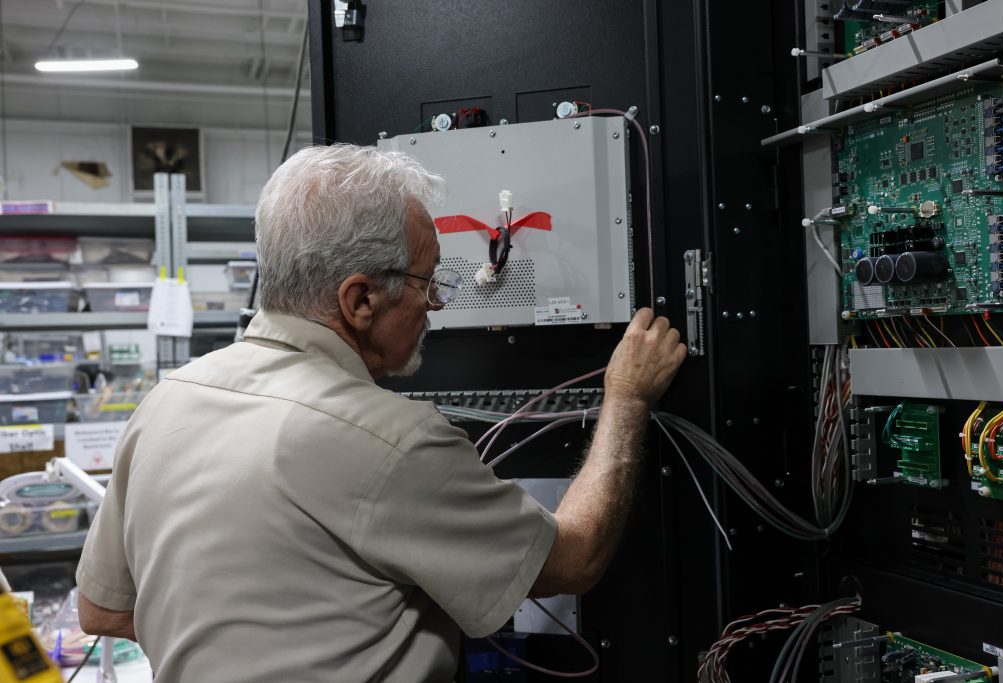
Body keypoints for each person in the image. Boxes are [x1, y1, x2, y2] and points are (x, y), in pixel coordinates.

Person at [75, 144, 686, 682]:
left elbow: (102, 610)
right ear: (360, 299)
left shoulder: (167, 400)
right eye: (427, 283)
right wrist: (626, 397)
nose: (436, 306)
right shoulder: (389, 440)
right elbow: (574, 559)